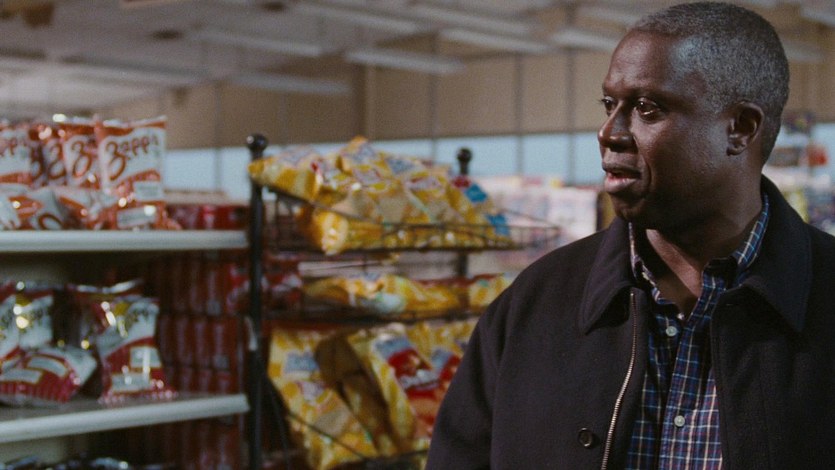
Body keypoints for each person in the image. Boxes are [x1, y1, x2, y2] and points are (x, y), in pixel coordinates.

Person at [425, 2, 835, 469]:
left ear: (740, 128)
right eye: (609, 105)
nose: (609, 133)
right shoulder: (531, 307)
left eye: (647, 108)